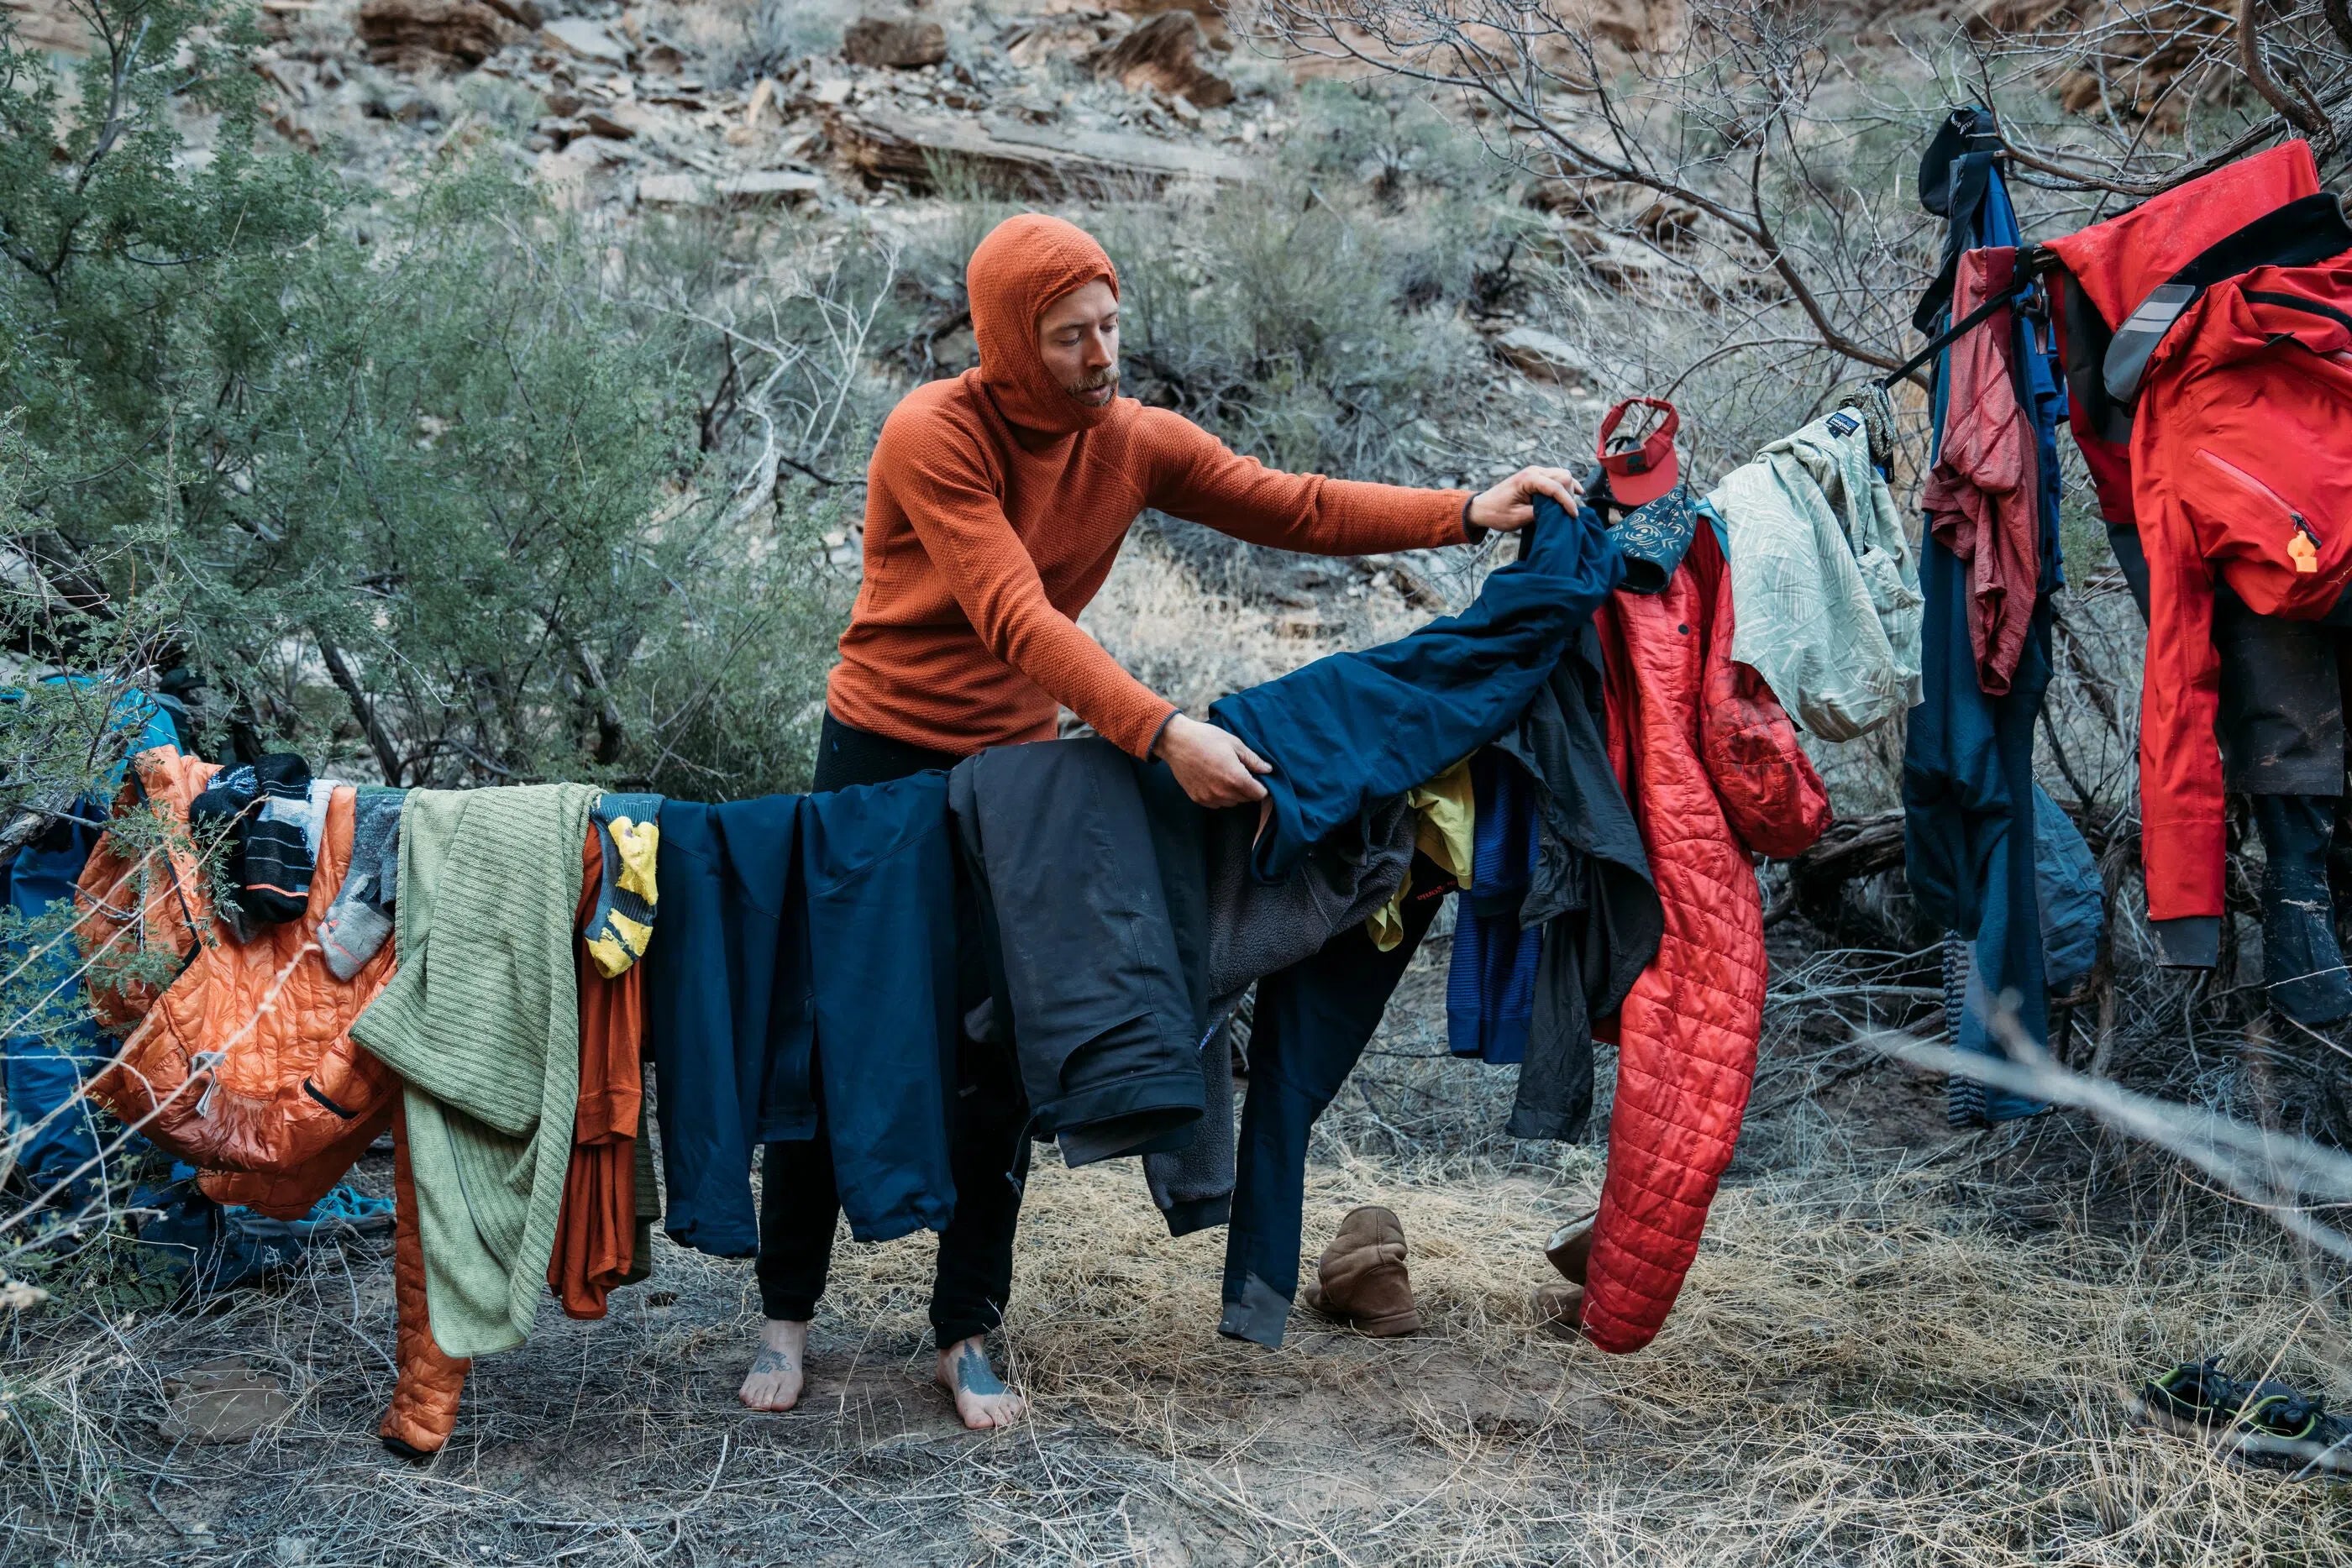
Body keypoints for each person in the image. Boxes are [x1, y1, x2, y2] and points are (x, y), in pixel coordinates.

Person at [738, 212, 1583, 1429]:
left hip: (1016, 778)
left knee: (1005, 1052)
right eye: (1072, 336)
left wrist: (1465, 509)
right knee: (835, 1028)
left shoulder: (1124, 439)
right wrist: (1157, 731)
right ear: (1009, 343)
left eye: (1111, 325)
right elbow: (1015, 618)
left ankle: (965, 1328)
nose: (1102, 354)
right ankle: (787, 1313)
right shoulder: (935, 432)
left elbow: (1289, 504)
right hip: (878, 757)